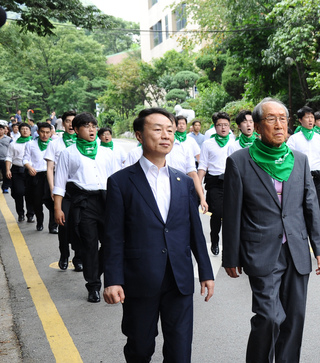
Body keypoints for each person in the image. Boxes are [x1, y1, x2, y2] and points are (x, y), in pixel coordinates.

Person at [103, 108, 214, 363]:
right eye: (157, 129)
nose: (166, 135)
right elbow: (113, 236)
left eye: (170, 130)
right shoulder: (121, 182)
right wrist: (113, 279)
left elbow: (194, 231)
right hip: (140, 279)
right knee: (140, 349)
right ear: (139, 136)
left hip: (179, 279)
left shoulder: (183, 182)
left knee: (180, 351)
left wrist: (206, 273)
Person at [222, 98, 320, 363]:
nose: (279, 124)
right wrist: (230, 257)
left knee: (294, 319)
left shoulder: (300, 160)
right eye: (271, 119)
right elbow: (232, 213)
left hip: (296, 250)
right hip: (261, 251)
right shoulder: (239, 161)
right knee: (269, 317)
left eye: (283, 118)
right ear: (257, 126)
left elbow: (310, 206)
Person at [53, 112, 116, 302]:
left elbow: (116, 180)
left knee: (111, 243)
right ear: (77, 129)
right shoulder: (68, 153)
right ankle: (94, 285)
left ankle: (96, 269)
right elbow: (60, 183)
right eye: (87, 126)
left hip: (106, 201)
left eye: (94, 126)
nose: (91, 130)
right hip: (83, 203)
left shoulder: (106, 152)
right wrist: (58, 208)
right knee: (89, 245)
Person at [287, 106, 320, 256]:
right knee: (300, 213)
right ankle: (301, 247)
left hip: (318, 178)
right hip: (300, 178)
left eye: (312, 117)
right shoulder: (294, 139)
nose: (311, 120)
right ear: (300, 120)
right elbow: (289, 161)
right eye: (307, 117)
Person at [198, 111, 236, 256]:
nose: (223, 128)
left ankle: (228, 245)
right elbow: (202, 165)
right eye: (220, 125)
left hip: (231, 183)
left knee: (230, 215)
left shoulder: (234, 143)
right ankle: (214, 240)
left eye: (226, 125)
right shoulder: (208, 144)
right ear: (215, 127)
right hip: (214, 183)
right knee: (217, 213)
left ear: (230, 126)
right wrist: (199, 187)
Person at [45, 111, 78, 268]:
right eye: (68, 121)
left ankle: (78, 257)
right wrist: (53, 189)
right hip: (62, 187)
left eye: (74, 121)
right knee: (63, 223)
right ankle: (64, 255)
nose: (71, 124)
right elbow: (50, 168)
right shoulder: (55, 143)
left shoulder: (84, 142)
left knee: (80, 225)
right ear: (62, 124)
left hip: (80, 188)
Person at [23, 122, 57, 232]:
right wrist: (29, 167)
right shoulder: (30, 144)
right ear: (38, 132)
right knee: (37, 202)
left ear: (51, 133)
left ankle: (53, 226)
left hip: (50, 176)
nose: (45, 135)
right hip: (36, 176)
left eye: (47, 132)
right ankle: (40, 222)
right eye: (42, 132)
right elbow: (25, 159)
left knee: (52, 201)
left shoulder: (54, 144)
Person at [6, 123, 35, 223]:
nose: (25, 131)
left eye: (27, 129)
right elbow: (9, 157)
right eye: (23, 129)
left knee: (30, 193)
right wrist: (7, 169)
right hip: (17, 170)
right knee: (18, 192)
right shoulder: (13, 143)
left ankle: (30, 214)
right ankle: (20, 213)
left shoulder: (34, 143)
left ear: (30, 131)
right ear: (19, 130)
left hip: (30, 171)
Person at [0, 125, 12, 193]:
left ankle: (5, 187)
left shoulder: (8, 139)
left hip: (5, 159)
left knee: (6, 174)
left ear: (4, 130)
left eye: (1, 129)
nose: (0, 131)